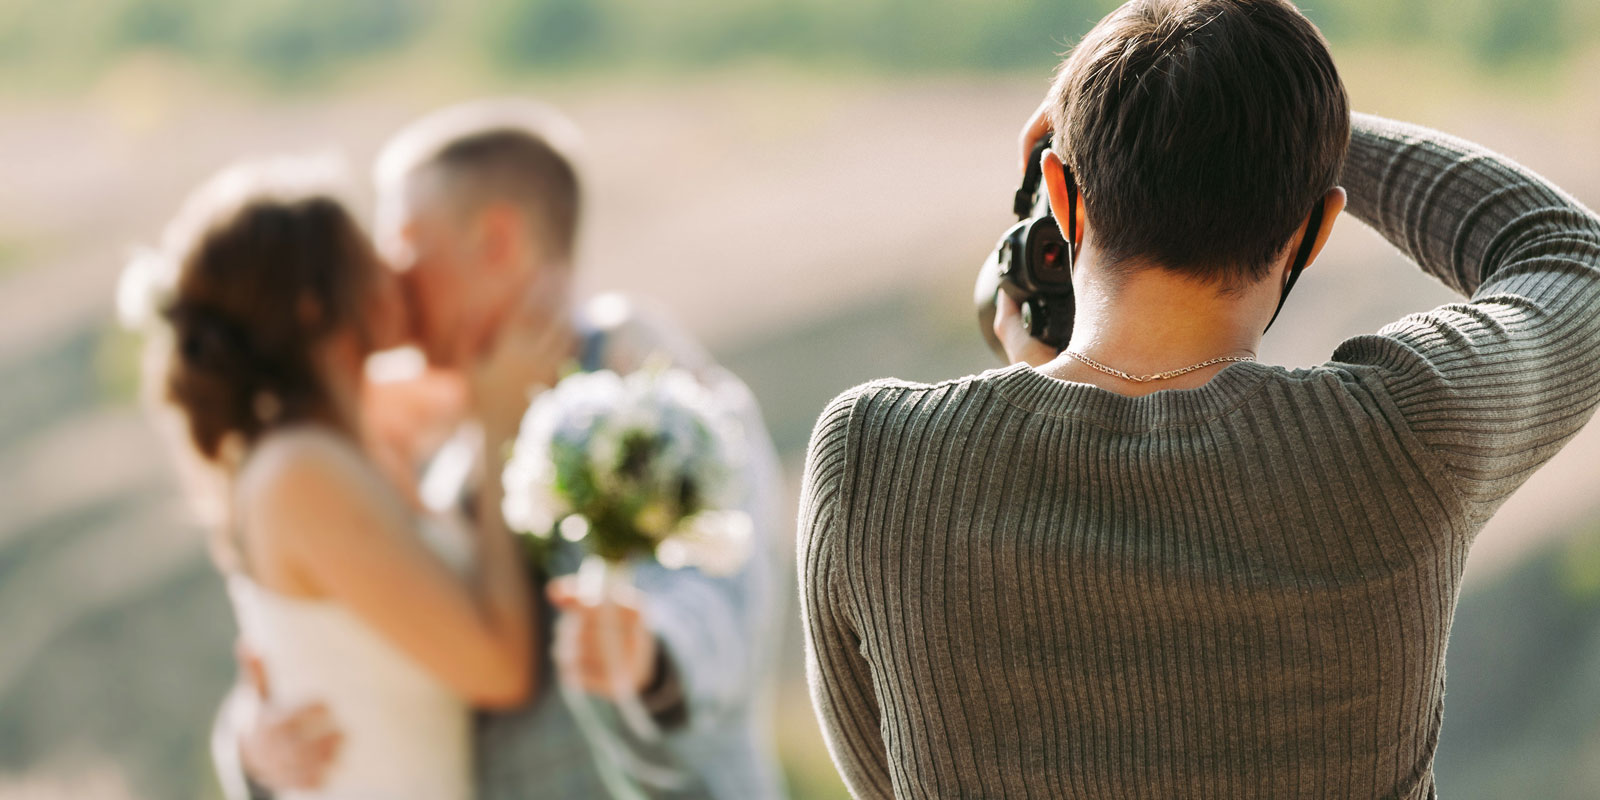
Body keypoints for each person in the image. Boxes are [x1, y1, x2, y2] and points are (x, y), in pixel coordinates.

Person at [798, 0, 1600, 798]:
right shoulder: (1400, 435)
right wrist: (1310, 139)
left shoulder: (874, 458)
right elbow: (1571, 261)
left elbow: (888, 776)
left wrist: (1035, 388)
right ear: (1317, 230)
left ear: (1061, 192)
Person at [213, 102, 789, 800]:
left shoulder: (643, 377)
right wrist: (253, 740)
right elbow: (366, 640)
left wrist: (649, 654)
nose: (384, 282)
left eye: (404, 247)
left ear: (496, 240)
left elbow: (724, 584)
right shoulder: (452, 449)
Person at [130, 158, 536, 800]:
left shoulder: (349, 428)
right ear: (314, 304)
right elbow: (499, 668)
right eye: (368, 258)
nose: (394, 275)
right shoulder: (302, 472)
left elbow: (484, 378)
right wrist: (497, 432)